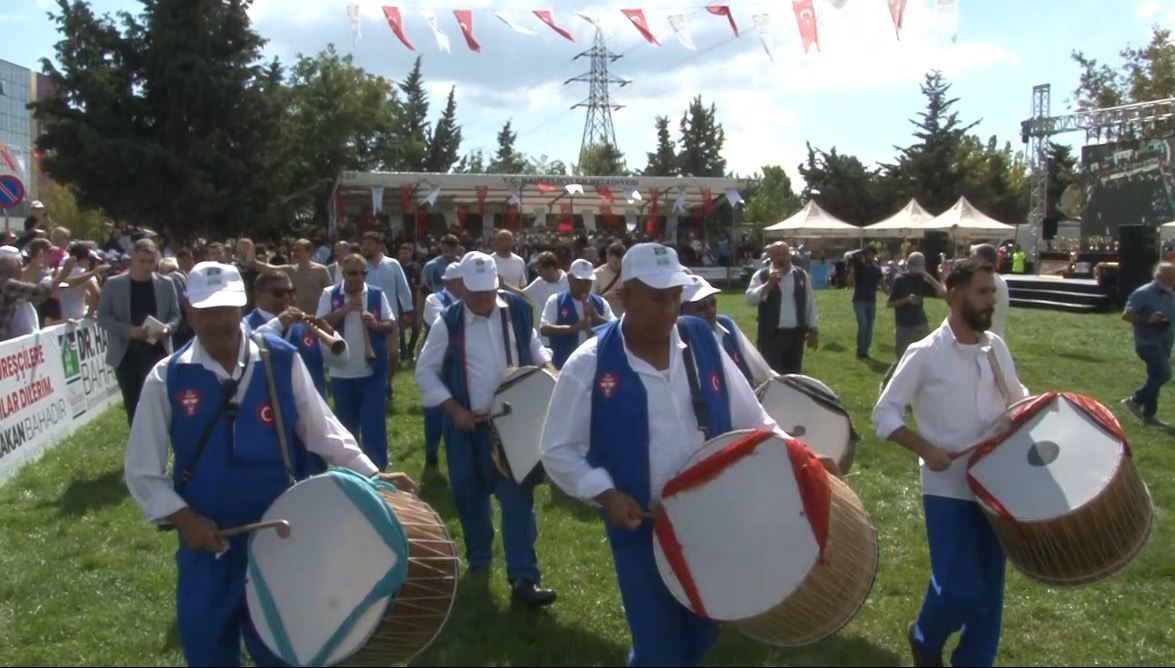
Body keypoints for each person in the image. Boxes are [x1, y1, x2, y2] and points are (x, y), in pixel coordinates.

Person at [540, 243, 837, 667]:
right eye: (658, 298)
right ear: (624, 295)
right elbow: (556, 449)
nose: (669, 309)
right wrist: (605, 494)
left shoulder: (703, 342)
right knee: (660, 645)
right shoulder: (590, 364)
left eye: (675, 296)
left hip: (712, 520)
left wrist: (797, 454)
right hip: (641, 529)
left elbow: (751, 416)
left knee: (702, 630)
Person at [122, 261, 416, 667]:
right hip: (209, 544)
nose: (217, 323)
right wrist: (183, 518)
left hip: (282, 538)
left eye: (225, 311)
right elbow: (141, 470)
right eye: (205, 312)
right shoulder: (167, 378)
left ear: (241, 306)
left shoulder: (280, 360)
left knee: (287, 650)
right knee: (206, 647)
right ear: (189, 311)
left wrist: (373, 475)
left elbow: (323, 431)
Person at [871, 259, 1029, 668]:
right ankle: (924, 636)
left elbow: (1018, 397)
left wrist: (1026, 415)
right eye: (982, 292)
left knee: (989, 594)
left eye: (992, 293)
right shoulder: (924, 354)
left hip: (998, 487)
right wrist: (924, 448)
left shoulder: (996, 347)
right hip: (948, 489)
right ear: (954, 295)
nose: (990, 301)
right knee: (960, 588)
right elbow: (884, 413)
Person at [415, 251, 558, 607]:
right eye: (476, 292)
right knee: (469, 494)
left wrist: (547, 367)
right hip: (466, 425)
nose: (484, 299)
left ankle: (524, 578)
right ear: (461, 286)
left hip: (511, 422)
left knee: (517, 497)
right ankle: (480, 563)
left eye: (489, 291)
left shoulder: (519, 311)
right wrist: (453, 408)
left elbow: (534, 346)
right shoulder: (447, 322)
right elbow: (425, 371)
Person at [316, 253, 397, 471]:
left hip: (372, 372)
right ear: (343, 273)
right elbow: (318, 325)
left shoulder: (377, 295)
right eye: (352, 273)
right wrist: (344, 310)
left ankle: (379, 475)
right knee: (347, 431)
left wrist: (376, 324)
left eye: (363, 273)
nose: (358, 278)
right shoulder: (329, 294)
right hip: (342, 373)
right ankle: (351, 476)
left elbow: (390, 325)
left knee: (374, 429)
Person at [97, 238, 182, 426]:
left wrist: (167, 328)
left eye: (151, 262)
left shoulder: (167, 284)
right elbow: (102, 317)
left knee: (162, 403)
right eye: (142, 261)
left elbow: (176, 315)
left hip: (158, 352)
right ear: (132, 259)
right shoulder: (113, 284)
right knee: (133, 405)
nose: (146, 267)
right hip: (127, 356)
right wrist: (128, 331)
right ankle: (139, 447)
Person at [679, 274, 773, 388]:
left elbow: (763, 373)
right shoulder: (680, 348)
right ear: (681, 313)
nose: (710, 310)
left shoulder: (726, 325)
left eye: (713, 303)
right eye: (701, 307)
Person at [745, 241, 818, 375]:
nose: (782, 258)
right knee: (773, 376)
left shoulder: (801, 275)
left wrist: (813, 329)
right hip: (771, 336)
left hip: (795, 336)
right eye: (778, 255)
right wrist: (768, 285)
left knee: (794, 375)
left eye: (785, 254)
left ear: (790, 256)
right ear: (771, 257)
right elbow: (750, 299)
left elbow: (809, 303)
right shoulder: (762, 275)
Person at [880, 252, 946, 391]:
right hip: (904, 326)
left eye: (921, 265)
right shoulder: (900, 280)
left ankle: (918, 390)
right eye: (916, 265)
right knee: (902, 360)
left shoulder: (922, 280)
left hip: (921, 324)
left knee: (926, 357)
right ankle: (886, 386)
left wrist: (928, 275)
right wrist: (907, 300)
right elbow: (889, 304)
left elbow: (942, 293)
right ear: (909, 265)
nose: (918, 268)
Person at [1120, 262, 1175, 427]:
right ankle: (1135, 400)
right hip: (1147, 343)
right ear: (1159, 277)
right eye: (1170, 278)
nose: (1173, 282)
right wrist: (1147, 320)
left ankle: (1149, 415)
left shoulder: (1171, 295)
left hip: (1164, 343)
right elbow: (1126, 315)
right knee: (1164, 374)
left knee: (1155, 376)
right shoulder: (1143, 293)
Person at [541, 258, 615, 370]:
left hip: (594, 365)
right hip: (564, 365)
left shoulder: (601, 303)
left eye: (588, 282)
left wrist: (597, 318)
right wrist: (574, 328)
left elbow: (616, 328)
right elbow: (544, 329)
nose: (584, 286)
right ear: (570, 278)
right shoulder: (556, 300)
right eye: (579, 281)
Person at [970, 244, 1009, 339]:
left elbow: (957, 303)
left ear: (983, 260)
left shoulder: (987, 282)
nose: (970, 258)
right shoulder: (998, 280)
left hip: (983, 343)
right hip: (993, 340)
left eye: (973, 255)